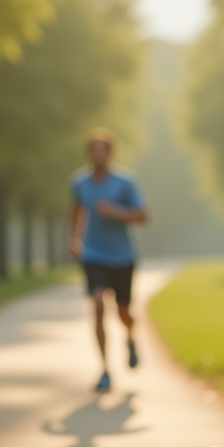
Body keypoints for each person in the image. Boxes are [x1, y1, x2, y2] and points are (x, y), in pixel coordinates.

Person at [69, 128, 148, 393]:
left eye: (103, 150)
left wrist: (114, 212)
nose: (99, 155)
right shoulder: (79, 183)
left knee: (124, 312)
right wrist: (74, 238)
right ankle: (104, 370)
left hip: (123, 256)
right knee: (98, 304)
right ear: (89, 154)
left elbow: (142, 216)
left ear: (110, 153)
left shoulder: (125, 182)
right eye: (94, 150)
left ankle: (131, 337)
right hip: (93, 254)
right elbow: (76, 209)